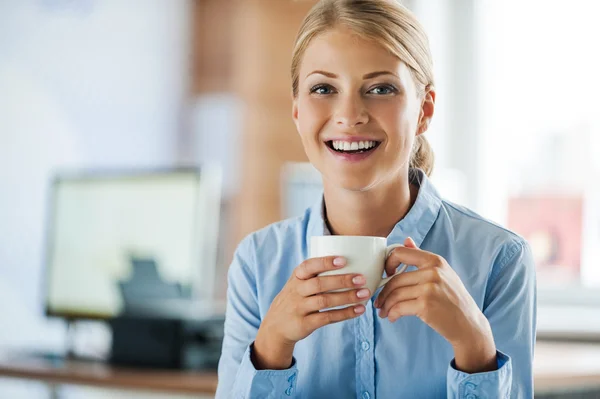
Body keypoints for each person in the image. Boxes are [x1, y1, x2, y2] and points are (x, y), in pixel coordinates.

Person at [216, 0, 536, 397]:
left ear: (424, 110)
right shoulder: (257, 263)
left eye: (380, 88)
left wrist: (474, 347)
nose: (350, 115)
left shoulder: (499, 260)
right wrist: (271, 347)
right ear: (297, 110)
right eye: (323, 88)